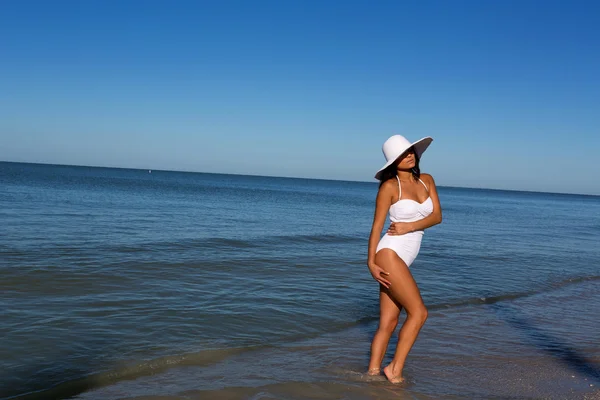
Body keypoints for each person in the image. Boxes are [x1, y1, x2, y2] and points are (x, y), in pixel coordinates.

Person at [366, 134, 442, 383]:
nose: (409, 155)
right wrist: (370, 262)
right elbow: (377, 227)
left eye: (411, 151)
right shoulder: (389, 187)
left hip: (404, 256)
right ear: (392, 162)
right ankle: (394, 370)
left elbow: (436, 217)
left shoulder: (427, 180)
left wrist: (409, 227)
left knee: (389, 321)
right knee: (419, 313)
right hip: (389, 254)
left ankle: (371, 374)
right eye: (402, 154)